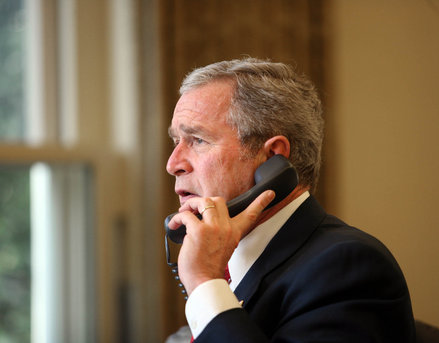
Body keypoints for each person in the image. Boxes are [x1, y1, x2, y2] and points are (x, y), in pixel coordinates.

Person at [166, 58, 415, 342]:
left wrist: (204, 281)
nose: (173, 164)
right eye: (177, 141)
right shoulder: (234, 267)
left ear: (272, 157)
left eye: (198, 140)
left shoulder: (347, 267)